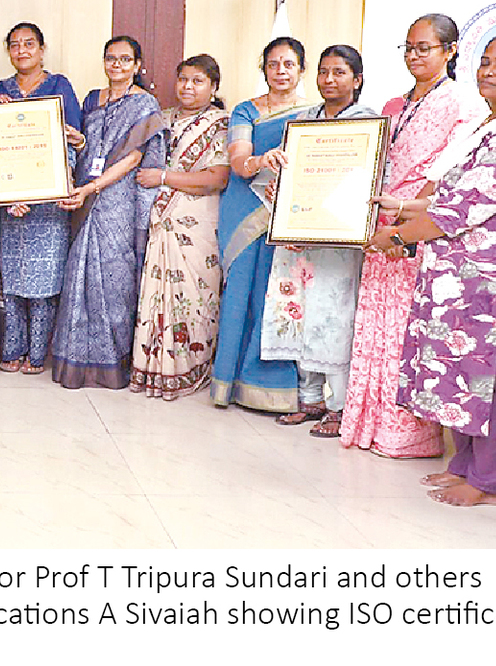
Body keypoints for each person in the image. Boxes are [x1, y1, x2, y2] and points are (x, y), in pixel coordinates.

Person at [380, 31, 496, 506]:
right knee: (464, 371)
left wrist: (395, 236)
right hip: (470, 283)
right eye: (485, 62)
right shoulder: (490, 123)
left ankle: (491, 482)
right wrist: (403, 209)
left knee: (493, 377)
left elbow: (459, 209)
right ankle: (466, 467)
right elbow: (451, 195)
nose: (488, 72)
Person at [339, 14, 488, 456]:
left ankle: (410, 435)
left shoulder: (464, 102)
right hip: (381, 224)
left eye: (424, 47)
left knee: (409, 330)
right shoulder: (392, 105)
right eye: (408, 47)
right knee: (376, 324)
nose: (414, 56)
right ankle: (370, 424)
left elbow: (447, 171)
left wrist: (405, 226)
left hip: (420, 228)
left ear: (451, 50)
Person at [256, 45, 378, 435]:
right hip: (298, 238)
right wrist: (281, 199)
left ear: (357, 80)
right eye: (324, 72)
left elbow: (371, 180)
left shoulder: (368, 123)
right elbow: (289, 176)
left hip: (338, 240)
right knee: (298, 314)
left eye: (339, 72)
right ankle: (309, 401)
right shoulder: (303, 121)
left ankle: (339, 408)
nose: (329, 80)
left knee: (332, 318)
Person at [53, 36, 165, 389]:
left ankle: (111, 364)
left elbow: (133, 157)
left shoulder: (144, 104)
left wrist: (92, 188)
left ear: (137, 65)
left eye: (125, 59)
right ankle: (76, 363)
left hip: (118, 199)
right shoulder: (92, 99)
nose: (117, 65)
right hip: (84, 194)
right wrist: (79, 141)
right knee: (80, 273)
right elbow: (93, 146)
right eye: (111, 58)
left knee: (115, 279)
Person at [210, 37, 311, 412]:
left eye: (289, 64)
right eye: (273, 64)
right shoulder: (246, 110)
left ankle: (274, 388)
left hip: (290, 211)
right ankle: (230, 383)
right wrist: (261, 161)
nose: (281, 71)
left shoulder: (314, 114)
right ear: (264, 69)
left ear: (301, 69)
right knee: (241, 294)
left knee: (279, 296)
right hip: (245, 210)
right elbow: (239, 162)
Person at [130, 54, 231, 400]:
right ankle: (152, 369)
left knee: (195, 295)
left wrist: (163, 177)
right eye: (183, 79)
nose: (188, 87)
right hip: (160, 220)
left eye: (198, 81)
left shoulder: (221, 124)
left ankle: (190, 368)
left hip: (198, 223)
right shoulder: (163, 118)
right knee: (156, 295)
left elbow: (217, 177)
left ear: (213, 87)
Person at [0, 22, 84, 375]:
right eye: (15, 45)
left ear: (42, 49)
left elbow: (73, 139)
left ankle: (38, 354)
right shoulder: (0, 90)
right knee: (12, 280)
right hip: (11, 201)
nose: (22, 50)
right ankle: (12, 349)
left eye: (29, 44)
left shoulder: (59, 86)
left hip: (48, 202)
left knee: (44, 281)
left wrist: (58, 183)